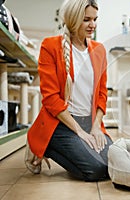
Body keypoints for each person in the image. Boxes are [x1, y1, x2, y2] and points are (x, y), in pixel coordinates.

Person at [26, 0, 112, 181]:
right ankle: (45, 144)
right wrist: (79, 132)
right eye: (86, 20)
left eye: (95, 19)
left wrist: (96, 127)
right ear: (73, 19)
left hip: (89, 123)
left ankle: (75, 153)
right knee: (96, 170)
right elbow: (50, 98)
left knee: (112, 165)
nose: (93, 25)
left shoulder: (99, 50)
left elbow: (102, 94)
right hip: (61, 124)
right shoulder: (50, 46)